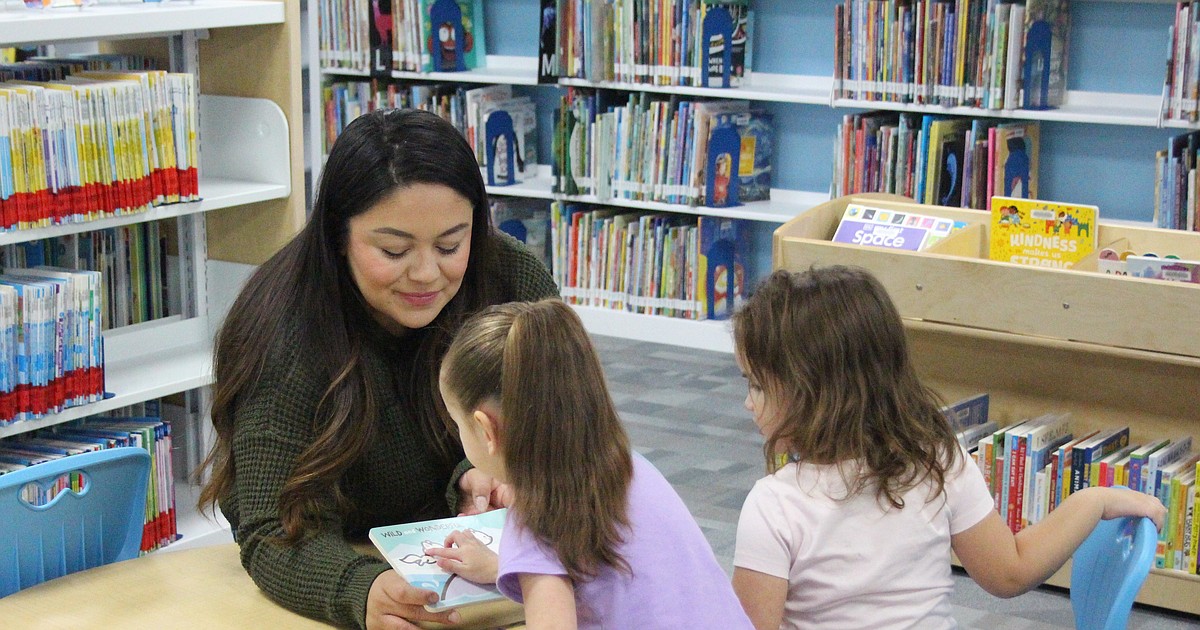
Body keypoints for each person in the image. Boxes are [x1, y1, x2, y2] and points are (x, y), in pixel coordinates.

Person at [196, 108, 559, 630]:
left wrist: (484, 476)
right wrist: (357, 590)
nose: (426, 273)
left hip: (494, 584)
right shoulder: (284, 332)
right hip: (352, 574)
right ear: (337, 235)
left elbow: (568, 441)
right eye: (393, 250)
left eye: (451, 244)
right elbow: (268, 528)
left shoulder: (513, 285)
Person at [728, 266, 1167, 630]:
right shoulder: (938, 461)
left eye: (758, 385)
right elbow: (1011, 572)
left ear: (814, 392)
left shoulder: (773, 506)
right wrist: (1093, 500)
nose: (749, 401)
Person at [428, 299, 753, 629]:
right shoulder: (629, 467)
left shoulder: (536, 518)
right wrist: (505, 566)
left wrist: (525, 559)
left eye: (457, 423)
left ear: (486, 430)